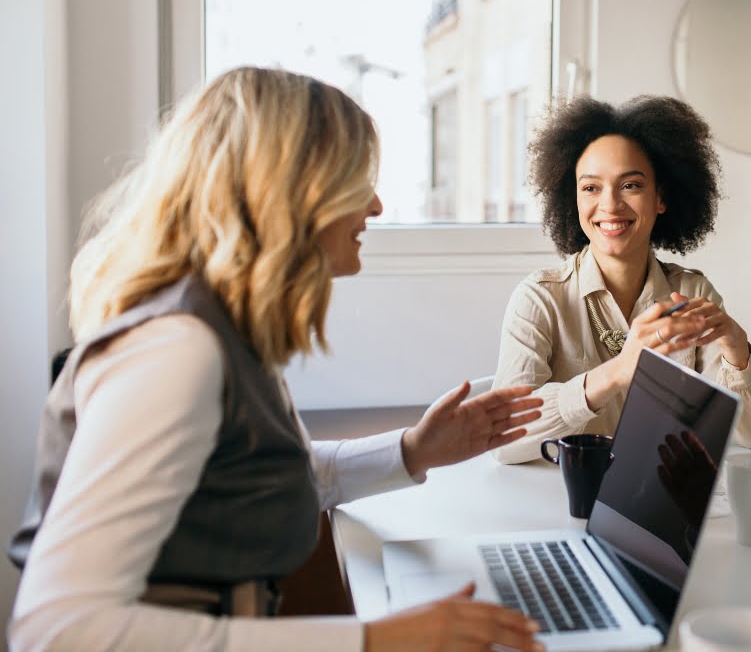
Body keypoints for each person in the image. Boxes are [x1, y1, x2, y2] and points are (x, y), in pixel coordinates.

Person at [8, 67, 547, 651]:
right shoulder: (177, 351)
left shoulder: (225, 333)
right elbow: (55, 630)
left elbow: (266, 477)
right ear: (293, 189)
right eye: (357, 180)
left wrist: (414, 451)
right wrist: (372, 641)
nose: (376, 203)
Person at [492, 95, 751, 464]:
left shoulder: (692, 293)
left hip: (657, 504)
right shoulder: (539, 299)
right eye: (591, 188)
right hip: (559, 503)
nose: (610, 205)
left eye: (630, 185)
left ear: (661, 197)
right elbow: (504, 441)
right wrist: (617, 370)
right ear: (573, 200)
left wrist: (738, 351)